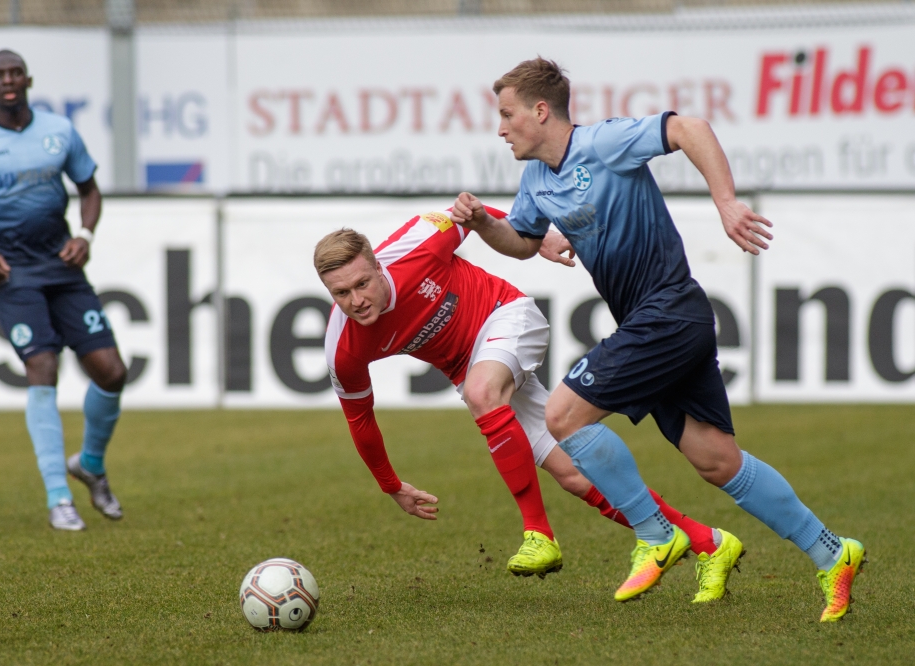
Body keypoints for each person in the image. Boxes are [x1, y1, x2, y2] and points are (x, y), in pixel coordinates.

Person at [450, 57, 864, 621]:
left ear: (540, 111)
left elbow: (690, 128)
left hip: (669, 311)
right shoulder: (536, 181)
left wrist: (725, 203)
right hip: (654, 322)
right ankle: (832, 552)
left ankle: (655, 532)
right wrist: (481, 224)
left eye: (506, 114)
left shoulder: (603, 143)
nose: (500, 128)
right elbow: (523, 242)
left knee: (564, 416)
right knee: (717, 461)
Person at [315, 214, 745, 602]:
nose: (356, 300)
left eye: (362, 284)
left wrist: (535, 240)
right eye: (341, 293)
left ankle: (538, 532)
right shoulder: (344, 349)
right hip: (470, 367)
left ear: (377, 265)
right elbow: (360, 420)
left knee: (484, 394)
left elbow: (474, 216)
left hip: (506, 315)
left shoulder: (418, 243)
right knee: (574, 475)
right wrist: (391, 485)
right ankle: (708, 541)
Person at [0, 50, 128, 531]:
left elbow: (89, 189)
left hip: (62, 265)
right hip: (13, 273)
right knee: (42, 365)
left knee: (111, 371)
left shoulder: (59, 131)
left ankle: (89, 463)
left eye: (15, 72)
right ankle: (58, 496)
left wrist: (84, 236)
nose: (8, 80)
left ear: (28, 80)